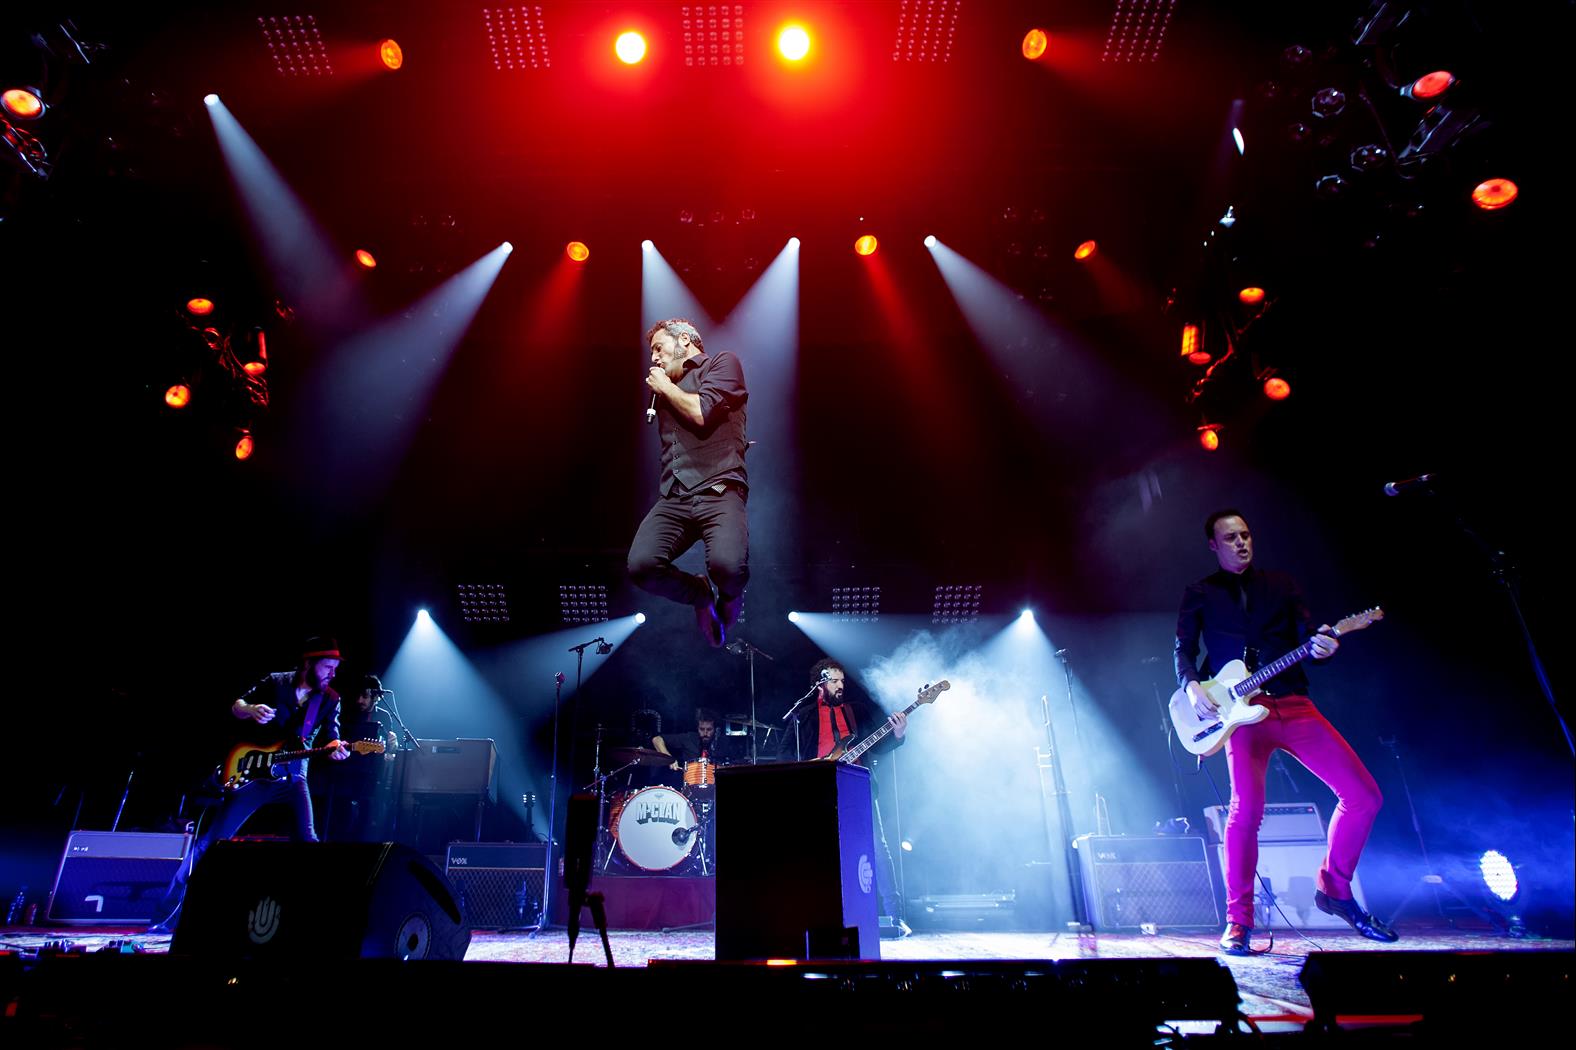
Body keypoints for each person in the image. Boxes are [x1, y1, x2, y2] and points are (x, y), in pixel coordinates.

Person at [1174, 510, 1397, 955]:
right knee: (1245, 812)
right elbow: (1183, 648)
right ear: (1213, 545)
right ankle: (1238, 921)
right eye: (1230, 538)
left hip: (1292, 703)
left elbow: (1308, 640)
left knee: (1364, 796)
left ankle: (1334, 889)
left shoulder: (1281, 585)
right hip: (1239, 713)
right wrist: (1191, 685)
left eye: (1246, 534)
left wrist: (1324, 647)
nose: (1241, 542)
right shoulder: (1200, 592)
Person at [149, 637, 350, 933]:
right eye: (327, 666)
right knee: (211, 843)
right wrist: (252, 709)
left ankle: (317, 923)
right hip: (252, 773)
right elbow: (237, 705)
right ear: (308, 663)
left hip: (293, 775)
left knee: (309, 842)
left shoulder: (331, 698)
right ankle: (166, 915)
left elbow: (332, 736)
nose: (333, 673)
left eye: (335, 668)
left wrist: (336, 748)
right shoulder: (276, 681)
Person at [627, 319, 749, 648]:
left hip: (719, 488)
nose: (654, 358)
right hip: (675, 496)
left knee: (727, 567)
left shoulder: (722, 364)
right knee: (641, 566)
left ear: (684, 340)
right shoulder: (667, 388)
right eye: (652, 352)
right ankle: (699, 593)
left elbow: (702, 412)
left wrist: (666, 388)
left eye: (658, 348)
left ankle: (729, 595)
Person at [802, 658, 911, 936]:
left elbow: (879, 744)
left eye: (842, 680)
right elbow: (785, 752)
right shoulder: (805, 716)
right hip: (820, 791)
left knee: (877, 848)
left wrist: (898, 734)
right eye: (834, 681)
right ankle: (819, 914)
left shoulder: (856, 711)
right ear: (820, 684)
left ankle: (895, 917)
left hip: (858, 787)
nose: (841, 685)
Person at [323, 673, 399, 841]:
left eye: (365, 696)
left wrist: (392, 746)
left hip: (372, 776)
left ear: (376, 697)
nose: (359, 700)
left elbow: (386, 748)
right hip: (346, 774)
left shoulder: (384, 716)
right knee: (341, 821)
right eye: (358, 695)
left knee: (365, 822)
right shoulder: (348, 714)